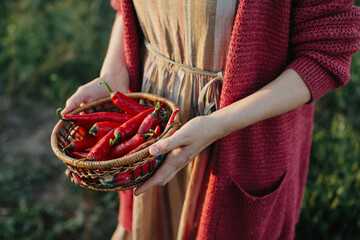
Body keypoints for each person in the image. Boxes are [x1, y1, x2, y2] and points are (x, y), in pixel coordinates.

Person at [61, 0, 360, 239]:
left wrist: (218, 125)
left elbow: (323, 56)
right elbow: (126, 8)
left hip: (240, 132)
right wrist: (114, 73)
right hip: (150, 121)